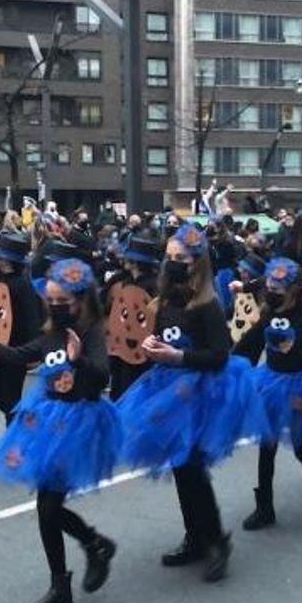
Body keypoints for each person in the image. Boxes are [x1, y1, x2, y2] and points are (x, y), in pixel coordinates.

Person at [0, 258, 120, 603]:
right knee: (47, 508)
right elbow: (17, 357)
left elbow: (101, 377)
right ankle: (92, 549)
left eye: (62, 300)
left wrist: (79, 362)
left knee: (47, 508)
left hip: (80, 424)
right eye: (51, 300)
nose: (55, 306)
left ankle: (68, 580)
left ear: (79, 299)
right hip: (49, 422)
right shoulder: (50, 334)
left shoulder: (90, 329)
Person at [117, 222, 267, 583]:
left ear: (197, 261)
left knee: (194, 469)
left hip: (202, 393)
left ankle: (216, 541)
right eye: (169, 257)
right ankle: (195, 537)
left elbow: (218, 354)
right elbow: (164, 336)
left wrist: (177, 357)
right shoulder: (167, 298)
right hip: (169, 388)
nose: (173, 263)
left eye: (180, 258)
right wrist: (155, 348)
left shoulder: (208, 304)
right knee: (181, 468)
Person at [233, 257, 302, 530]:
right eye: (270, 286)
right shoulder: (269, 310)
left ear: (293, 289)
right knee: (266, 446)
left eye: (278, 288)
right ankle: (265, 507)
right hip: (270, 382)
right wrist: (229, 364)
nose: (272, 292)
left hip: (301, 384)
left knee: (301, 446)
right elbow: (252, 341)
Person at [0, 231, 44, 422]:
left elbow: (32, 316)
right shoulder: (2, 282)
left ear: (7, 260)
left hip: (16, 348)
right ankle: (24, 422)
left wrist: (33, 350)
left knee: (10, 398)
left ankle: (18, 439)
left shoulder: (22, 285)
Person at [104, 234, 162, 399]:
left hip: (143, 350)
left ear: (134, 262)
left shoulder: (152, 287)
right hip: (121, 348)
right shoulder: (125, 282)